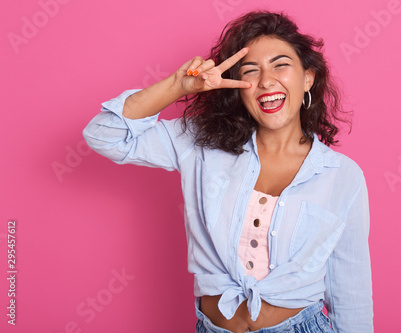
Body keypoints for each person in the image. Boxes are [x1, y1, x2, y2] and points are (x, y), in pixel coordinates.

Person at [83, 10, 373, 333]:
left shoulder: (342, 177)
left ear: (308, 77)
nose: (266, 81)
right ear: (239, 88)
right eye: (251, 71)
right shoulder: (200, 143)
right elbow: (104, 134)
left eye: (280, 65)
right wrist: (179, 86)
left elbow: (351, 297)